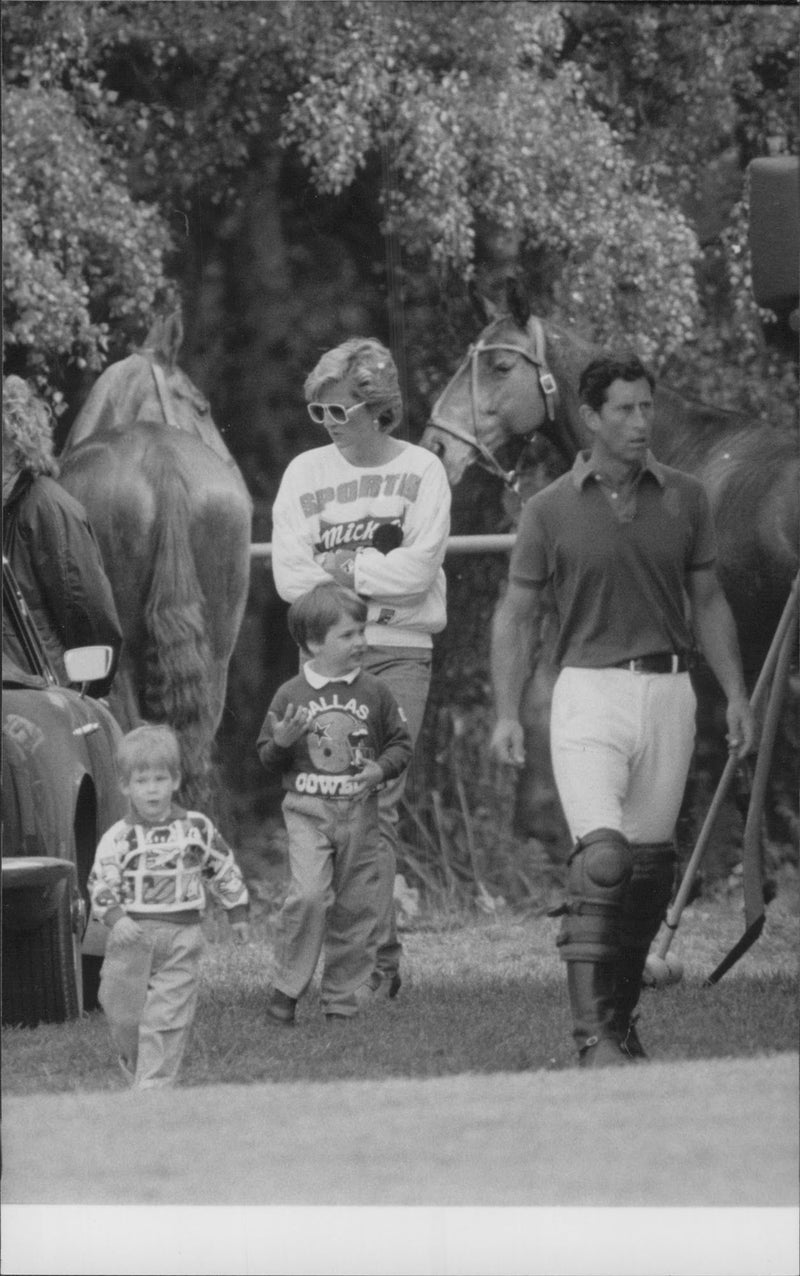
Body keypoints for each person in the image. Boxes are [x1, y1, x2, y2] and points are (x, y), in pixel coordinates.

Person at [490, 354, 754, 1068]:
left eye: (647, 408)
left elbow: (708, 602)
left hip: (671, 694)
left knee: (646, 874)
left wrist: (735, 694)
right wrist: (507, 712)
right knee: (601, 860)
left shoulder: (688, 498)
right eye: (625, 410)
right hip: (588, 693)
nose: (641, 423)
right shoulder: (548, 508)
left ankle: (620, 1021)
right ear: (590, 417)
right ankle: (590, 1039)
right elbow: (515, 616)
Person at [270, 338, 450, 998]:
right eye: (317, 413)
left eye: (337, 412)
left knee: (376, 799)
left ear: (377, 408)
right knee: (331, 803)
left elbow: (419, 570)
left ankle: (370, 967)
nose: (327, 426)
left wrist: (341, 572)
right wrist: (370, 579)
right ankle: (377, 960)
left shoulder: (423, 471)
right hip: (323, 659)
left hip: (402, 649)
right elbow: (292, 579)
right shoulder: (304, 474)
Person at [257, 582, 412, 1024]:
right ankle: (287, 990)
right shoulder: (291, 694)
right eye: (347, 635)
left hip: (360, 815)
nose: (361, 642)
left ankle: (341, 1003)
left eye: (361, 631)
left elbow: (401, 745)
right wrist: (282, 743)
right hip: (309, 812)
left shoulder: (375, 692)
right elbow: (267, 757)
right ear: (312, 644)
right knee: (308, 896)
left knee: (356, 908)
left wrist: (380, 770)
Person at [88, 724, 250, 1088]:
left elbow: (222, 866)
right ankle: (135, 1060)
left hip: (182, 937)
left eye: (160, 779)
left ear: (175, 781)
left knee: (166, 1017)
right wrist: (116, 918)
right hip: (132, 936)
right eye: (142, 781)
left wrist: (236, 911)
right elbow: (100, 881)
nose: (152, 789)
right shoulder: (119, 837)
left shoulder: (195, 828)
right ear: (125, 786)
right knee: (122, 1013)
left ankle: (153, 1088)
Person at [2, 375, 122, 697]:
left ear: (15, 443)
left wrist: (89, 695)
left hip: (37, 695)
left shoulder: (50, 509)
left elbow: (91, 616)